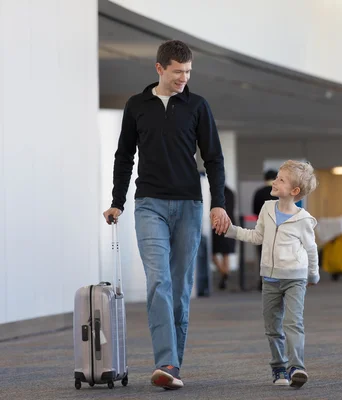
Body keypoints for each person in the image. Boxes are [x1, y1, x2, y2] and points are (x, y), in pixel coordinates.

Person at [102, 40, 230, 390]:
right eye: (178, 72)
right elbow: (124, 155)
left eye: (188, 72)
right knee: (159, 282)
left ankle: (174, 365)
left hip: (189, 205)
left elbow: (214, 158)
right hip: (149, 205)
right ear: (159, 68)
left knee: (179, 287)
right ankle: (167, 362)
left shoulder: (197, 106)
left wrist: (218, 202)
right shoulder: (137, 106)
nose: (183, 78)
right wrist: (118, 201)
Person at [224, 160, 319, 389]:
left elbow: (311, 249)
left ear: (294, 191)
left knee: (293, 323)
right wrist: (231, 230)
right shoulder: (267, 208)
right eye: (277, 177)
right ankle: (278, 367)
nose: (275, 181)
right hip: (270, 278)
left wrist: (312, 274)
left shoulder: (303, 219)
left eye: (281, 179)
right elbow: (257, 237)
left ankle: (297, 366)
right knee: (272, 327)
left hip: (295, 278)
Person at [252, 170, 278, 290]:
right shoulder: (279, 193)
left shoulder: (258, 192)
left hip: (262, 229)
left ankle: (262, 282)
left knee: (263, 256)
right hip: (278, 230)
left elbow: (254, 211)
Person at [212, 185, 236, 290]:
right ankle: (225, 274)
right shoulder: (231, 193)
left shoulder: (214, 194)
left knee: (213, 254)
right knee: (226, 253)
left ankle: (223, 272)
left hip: (217, 224)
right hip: (229, 224)